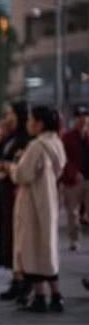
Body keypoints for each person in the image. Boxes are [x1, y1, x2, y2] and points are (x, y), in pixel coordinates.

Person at [10, 105, 65, 313]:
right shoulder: (56, 143)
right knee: (47, 245)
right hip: (49, 199)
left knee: (32, 246)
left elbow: (22, 174)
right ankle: (56, 294)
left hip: (32, 203)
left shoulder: (36, 146)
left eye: (30, 120)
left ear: (39, 123)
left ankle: (40, 295)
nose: (28, 124)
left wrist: (13, 166)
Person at [0, 102, 31, 302]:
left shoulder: (26, 140)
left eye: (10, 114)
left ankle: (24, 280)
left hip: (16, 195)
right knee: (7, 236)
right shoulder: (9, 138)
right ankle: (15, 278)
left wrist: (4, 165)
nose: (6, 118)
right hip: (3, 194)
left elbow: (22, 167)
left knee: (17, 237)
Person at [60, 105, 89, 252]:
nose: (83, 120)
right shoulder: (67, 137)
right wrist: (73, 173)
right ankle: (74, 239)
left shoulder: (88, 135)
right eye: (79, 117)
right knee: (73, 211)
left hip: (87, 178)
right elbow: (63, 159)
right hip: (73, 180)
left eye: (85, 117)